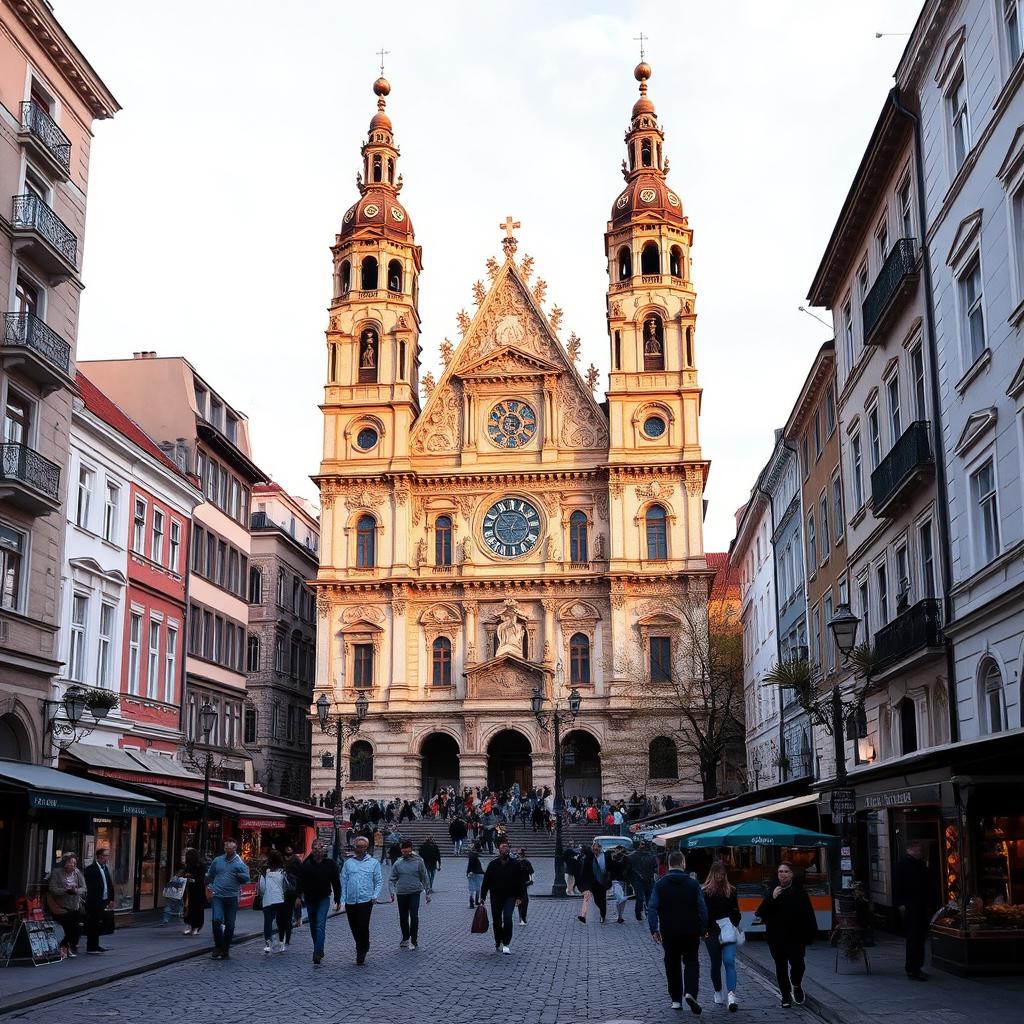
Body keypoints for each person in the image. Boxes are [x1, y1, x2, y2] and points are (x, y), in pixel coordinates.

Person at [648, 849, 708, 1014]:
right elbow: (702, 908)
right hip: (691, 931)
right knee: (691, 962)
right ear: (683, 863)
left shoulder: (660, 884)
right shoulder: (693, 884)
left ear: (668, 865)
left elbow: (652, 908)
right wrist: (704, 928)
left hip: (669, 931)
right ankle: (690, 992)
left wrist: (654, 929)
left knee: (672, 963)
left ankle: (676, 1000)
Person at [756, 862, 817, 1009]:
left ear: (791, 874)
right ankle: (785, 996)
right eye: (780, 872)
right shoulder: (772, 890)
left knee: (798, 964)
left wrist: (810, 934)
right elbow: (761, 912)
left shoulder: (799, 892)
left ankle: (796, 984)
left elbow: (808, 914)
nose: (782, 874)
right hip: (776, 936)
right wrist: (772, 897)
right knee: (781, 966)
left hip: (796, 936)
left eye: (785, 871)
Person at [703, 861, 742, 1012]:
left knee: (729, 961)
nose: (719, 877)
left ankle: (731, 995)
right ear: (712, 874)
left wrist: (734, 918)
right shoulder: (705, 891)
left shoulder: (731, 891)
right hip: (712, 931)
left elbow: (736, 910)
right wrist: (704, 930)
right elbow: (704, 913)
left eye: (722, 874)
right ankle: (718, 990)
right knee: (715, 963)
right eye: (717, 874)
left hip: (727, 929)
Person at [205, 840, 250, 961]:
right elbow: (210, 875)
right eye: (226, 848)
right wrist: (208, 888)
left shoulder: (239, 862)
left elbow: (247, 878)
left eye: (231, 849)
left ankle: (225, 949)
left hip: (232, 897)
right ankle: (218, 946)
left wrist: (240, 876)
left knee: (230, 925)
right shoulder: (217, 860)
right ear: (224, 848)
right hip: (218, 896)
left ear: (235, 849)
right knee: (216, 920)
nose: (228, 851)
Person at [341, 835, 383, 965]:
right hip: (351, 900)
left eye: (363, 847)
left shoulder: (373, 863)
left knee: (363, 926)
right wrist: (342, 901)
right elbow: (343, 881)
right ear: (355, 847)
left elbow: (379, 880)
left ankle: (361, 950)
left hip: (366, 900)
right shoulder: (348, 863)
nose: (361, 849)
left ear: (367, 847)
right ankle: (362, 943)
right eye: (359, 847)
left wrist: (375, 895)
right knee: (354, 926)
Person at [894, 839, 932, 981]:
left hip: (920, 904)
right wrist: (900, 903)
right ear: (910, 849)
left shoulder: (918, 864)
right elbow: (897, 885)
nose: (920, 852)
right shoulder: (903, 864)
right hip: (911, 905)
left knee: (920, 936)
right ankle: (913, 968)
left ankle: (917, 966)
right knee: (914, 937)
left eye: (921, 850)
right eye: (918, 850)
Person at [299, 839, 341, 965]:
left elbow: (336, 882)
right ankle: (318, 948)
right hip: (310, 898)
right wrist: (297, 896)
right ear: (312, 849)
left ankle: (317, 951)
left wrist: (337, 899)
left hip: (324, 898)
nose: (318, 850)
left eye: (320, 847)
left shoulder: (330, 864)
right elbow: (300, 881)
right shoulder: (306, 863)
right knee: (313, 925)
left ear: (324, 849)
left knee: (320, 924)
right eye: (315, 848)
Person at [480, 839, 524, 955]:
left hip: (510, 896)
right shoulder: (493, 864)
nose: (505, 849)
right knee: (496, 921)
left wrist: (520, 897)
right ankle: (498, 940)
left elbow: (520, 882)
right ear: (499, 849)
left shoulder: (515, 864)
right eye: (503, 847)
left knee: (508, 918)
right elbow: (486, 881)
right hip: (496, 896)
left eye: (507, 847)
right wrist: (482, 897)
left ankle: (506, 943)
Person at [389, 839, 430, 950]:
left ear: (411, 850)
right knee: (403, 916)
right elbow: (392, 878)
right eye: (403, 850)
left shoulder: (419, 861)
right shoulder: (398, 863)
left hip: (414, 892)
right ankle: (405, 937)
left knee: (413, 915)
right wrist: (391, 891)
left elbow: (424, 877)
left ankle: (414, 939)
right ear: (401, 850)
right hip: (401, 892)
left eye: (407, 850)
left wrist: (427, 892)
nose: (405, 852)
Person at [47, 854, 86, 957]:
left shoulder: (77, 873)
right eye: (70, 862)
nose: (72, 865)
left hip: (75, 905)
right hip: (61, 907)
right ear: (64, 863)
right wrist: (65, 890)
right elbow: (53, 889)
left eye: (74, 863)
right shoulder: (57, 873)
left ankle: (65, 946)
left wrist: (75, 890)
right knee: (69, 928)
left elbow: (84, 888)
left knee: (77, 929)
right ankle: (64, 947)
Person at [83, 847, 116, 953]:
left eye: (107, 855)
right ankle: (91, 947)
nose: (107, 858)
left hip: (103, 900)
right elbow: (90, 887)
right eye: (106, 855)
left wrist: (110, 899)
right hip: (94, 901)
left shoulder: (105, 868)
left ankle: (96, 945)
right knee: (93, 923)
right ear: (100, 857)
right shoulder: (91, 869)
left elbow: (108, 884)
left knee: (98, 924)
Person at [259, 850, 291, 954]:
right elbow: (285, 886)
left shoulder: (264, 871)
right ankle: (281, 943)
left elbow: (262, 887)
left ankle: (268, 944)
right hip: (280, 899)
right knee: (280, 921)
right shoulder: (283, 871)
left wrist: (263, 895)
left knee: (267, 922)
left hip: (268, 900)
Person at [576, 840, 611, 924]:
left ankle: (603, 914)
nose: (595, 850)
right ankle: (583, 916)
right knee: (587, 897)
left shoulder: (605, 856)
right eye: (593, 848)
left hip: (600, 882)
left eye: (596, 848)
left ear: (600, 848)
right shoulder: (588, 857)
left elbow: (608, 868)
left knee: (599, 900)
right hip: (590, 881)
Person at [629, 841, 658, 922]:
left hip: (649, 879)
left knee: (649, 897)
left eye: (644, 844)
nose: (643, 845)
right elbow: (630, 867)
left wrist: (654, 874)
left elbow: (655, 867)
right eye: (642, 844)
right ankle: (639, 913)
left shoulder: (651, 855)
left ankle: (648, 912)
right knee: (640, 897)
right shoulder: (634, 855)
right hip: (638, 879)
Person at [181, 848, 206, 936]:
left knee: (196, 908)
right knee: (188, 907)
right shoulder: (188, 865)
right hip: (189, 890)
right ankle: (190, 925)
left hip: (197, 890)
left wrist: (190, 879)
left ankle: (195, 927)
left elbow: (200, 878)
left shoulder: (201, 866)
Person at [283, 846, 304, 937]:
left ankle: (298, 918)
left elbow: (301, 871)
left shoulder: (296, 859)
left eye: (290, 849)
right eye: (287, 849)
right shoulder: (283, 859)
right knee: (287, 902)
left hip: (295, 884)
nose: (288, 851)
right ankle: (289, 918)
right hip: (286, 884)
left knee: (296, 901)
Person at [609, 844, 631, 924]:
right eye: (616, 849)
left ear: (621, 849)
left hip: (621, 880)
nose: (616, 850)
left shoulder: (625, 858)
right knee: (619, 898)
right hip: (615, 880)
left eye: (618, 849)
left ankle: (620, 915)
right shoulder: (612, 858)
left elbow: (627, 868)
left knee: (621, 898)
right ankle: (620, 915)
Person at [517, 848, 534, 926]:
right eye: (518, 854)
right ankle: (521, 917)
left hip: (524, 884)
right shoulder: (515, 862)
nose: (518, 855)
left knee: (524, 901)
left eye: (519, 854)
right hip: (517, 884)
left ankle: (522, 917)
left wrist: (531, 880)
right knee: (521, 901)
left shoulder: (526, 862)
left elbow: (531, 873)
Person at [467, 842, 485, 908]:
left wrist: (468, 872)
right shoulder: (476, 855)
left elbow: (470, 865)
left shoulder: (472, 854)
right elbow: (478, 866)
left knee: (472, 888)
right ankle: (475, 901)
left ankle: (472, 902)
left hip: (472, 873)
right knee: (477, 887)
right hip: (477, 873)